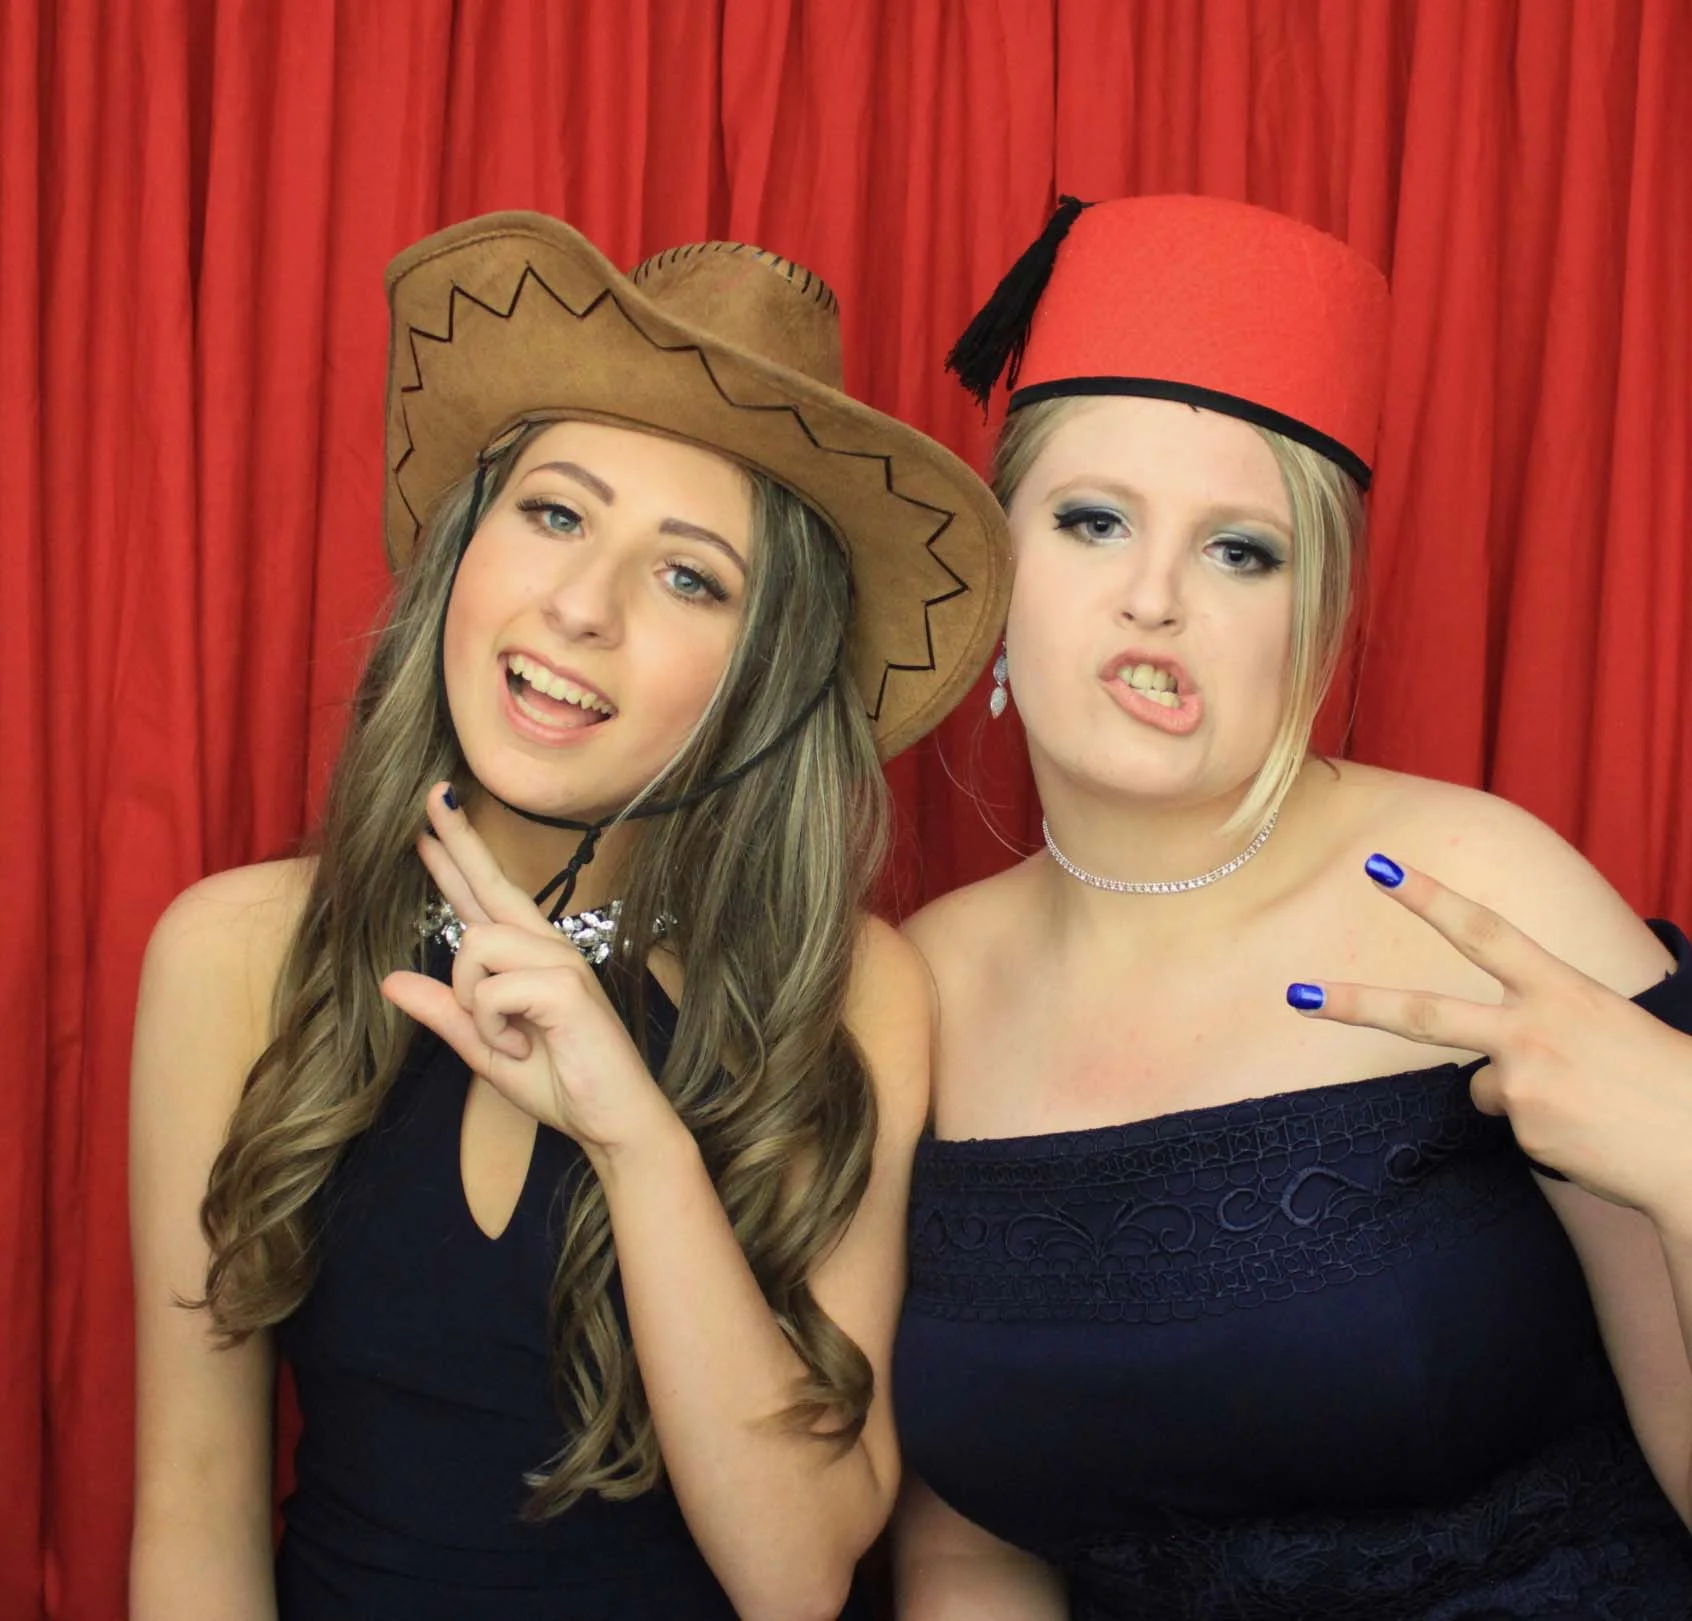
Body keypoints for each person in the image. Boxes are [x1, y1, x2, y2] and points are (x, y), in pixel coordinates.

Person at [129, 210, 1009, 1621]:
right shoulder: (236, 955)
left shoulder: (846, 993)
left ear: (765, 678)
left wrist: (634, 1138)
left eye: (688, 575)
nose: (582, 607)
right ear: (464, 551)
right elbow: (192, 1512)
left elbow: (795, 1574)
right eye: (554, 514)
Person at [891, 194, 1692, 1618]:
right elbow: (969, 1540)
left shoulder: (1478, 888)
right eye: (1092, 522)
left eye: (1239, 550)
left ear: (1312, 614)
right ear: (999, 561)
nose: (1154, 598)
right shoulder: (925, 986)